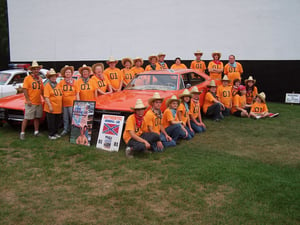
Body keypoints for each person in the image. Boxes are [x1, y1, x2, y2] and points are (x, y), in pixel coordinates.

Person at [20, 61, 44, 140]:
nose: (36, 70)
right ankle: (22, 133)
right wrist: (28, 99)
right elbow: (25, 89)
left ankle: (36, 131)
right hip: (30, 102)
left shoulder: (40, 79)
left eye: (37, 69)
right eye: (35, 69)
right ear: (32, 70)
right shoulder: (27, 78)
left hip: (38, 101)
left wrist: (45, 99)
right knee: (27, 117)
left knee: (37, 118)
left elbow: (42, 90)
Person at [43, 68, 63, 140]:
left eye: (54, 76)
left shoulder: (58, 85)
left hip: (58, 107)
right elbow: (46, 97)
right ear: (49, 78)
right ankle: (51, 134)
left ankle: (56, 133)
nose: (54, 78)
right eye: (52, 76)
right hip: (51, 108)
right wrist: (50, 106)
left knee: (57, 121)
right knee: (51, 121)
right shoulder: (47, 86)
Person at [59, 65, 76, 136]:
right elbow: (59, 92)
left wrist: (78, 102)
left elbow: (77, 92)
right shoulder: (61, 82)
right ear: (64, 74)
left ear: (71, 73)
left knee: (72, 117)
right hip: (64, 103)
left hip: (72, 102)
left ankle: (74, 130)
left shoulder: (75, 82)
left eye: (69, 72)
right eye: (66, 72)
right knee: (65, 117)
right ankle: (66, 129)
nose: (68, 73)